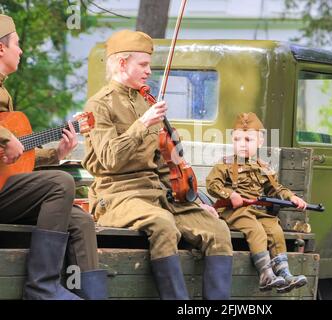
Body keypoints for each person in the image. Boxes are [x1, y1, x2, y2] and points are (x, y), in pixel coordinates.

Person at [82, 29, 233, 300]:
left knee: (218, 229)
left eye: (148, 65)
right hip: (118, 195)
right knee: (163, 224)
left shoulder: (145, 102)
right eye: (142, 64)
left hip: (157, 193)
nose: (148, 71)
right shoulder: (99, 105)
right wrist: (142, 125)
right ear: (121, 63)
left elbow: (165, 162)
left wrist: (195, 201)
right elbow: (109, 158)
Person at [0, 14, 107, 300]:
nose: (21, 50)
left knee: (81, 220)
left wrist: (56, 153)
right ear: (1, 48)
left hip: (5, 192)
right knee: (61, 183)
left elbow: (13, 162)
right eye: (17, 44)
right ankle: (41, 288)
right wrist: (6, 137)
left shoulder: (4, 92)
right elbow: (7, 143)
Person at [206, 112, 308, 293]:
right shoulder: (225, 164)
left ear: (260, 142)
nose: (242, 144)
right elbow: (212, 184)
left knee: (274, 228)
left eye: (248, 139)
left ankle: (284, 273)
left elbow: (275, 189)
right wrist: (229, 194)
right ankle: (265, 274)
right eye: (237, 139)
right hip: (233, 211)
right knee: (256, 230)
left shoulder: (263, 167)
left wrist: (291, 197)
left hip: (255, 211)